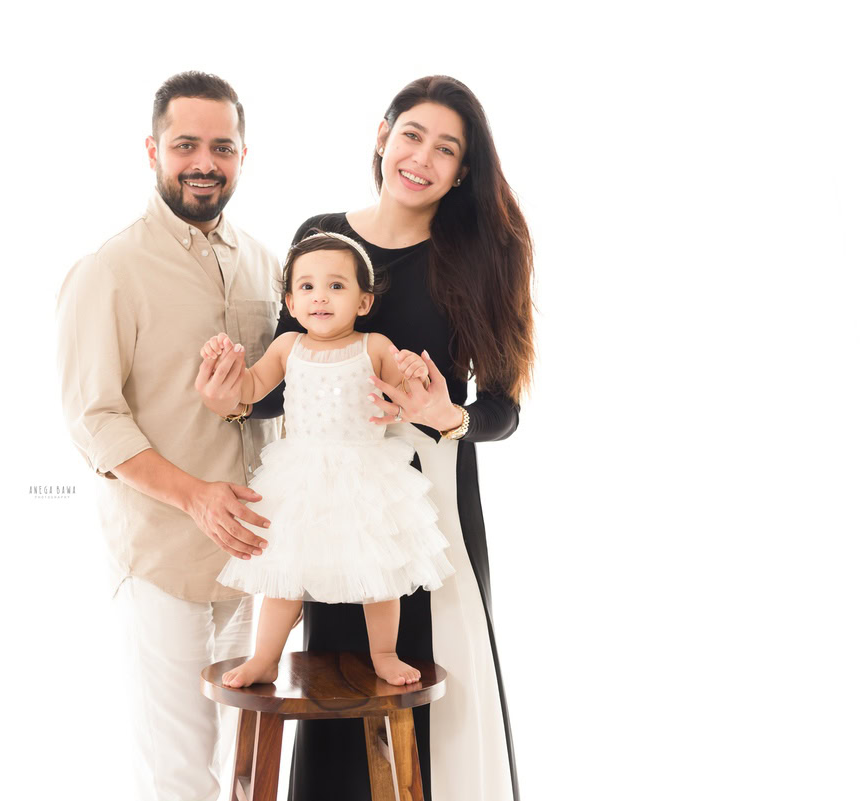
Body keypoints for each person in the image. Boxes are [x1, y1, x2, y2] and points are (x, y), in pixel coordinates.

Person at [198, 75, 534, 801]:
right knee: (337, 672)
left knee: (434, 670)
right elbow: (290, 383)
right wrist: (233, 400)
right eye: (411, 134)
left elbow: (503, 408)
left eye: (447, 149)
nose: (422, 157)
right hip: (330, 490)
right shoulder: (323, 237)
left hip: (429, 496)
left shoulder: (482, 253)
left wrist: (451, 415)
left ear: (463, 171)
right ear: (382, 135)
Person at [55, 71, 283, 801]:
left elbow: (277, 391)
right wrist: (194, 497)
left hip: (256, 559)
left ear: (245, 155)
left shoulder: (266, 262)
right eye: (186, 144)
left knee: (244, 767)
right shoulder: (109, 270)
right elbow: (94, 419)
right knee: (180, 774)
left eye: (222, 146)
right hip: (163, 560)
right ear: (153, 150)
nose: (204, 161)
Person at [198, 231, 454, 689]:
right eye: (307, 287)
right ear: (291, 304)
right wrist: (225, 369)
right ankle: (264, 658)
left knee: (381, 572)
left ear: (363, 301)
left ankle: (384, 653)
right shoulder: (287, 347)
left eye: (337, 286)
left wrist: (413, 372)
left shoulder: (373, 344)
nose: (321, 297)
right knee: (284, 576)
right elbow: (252, 390)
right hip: (301, 475)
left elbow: (406, 391)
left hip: (365, 473)